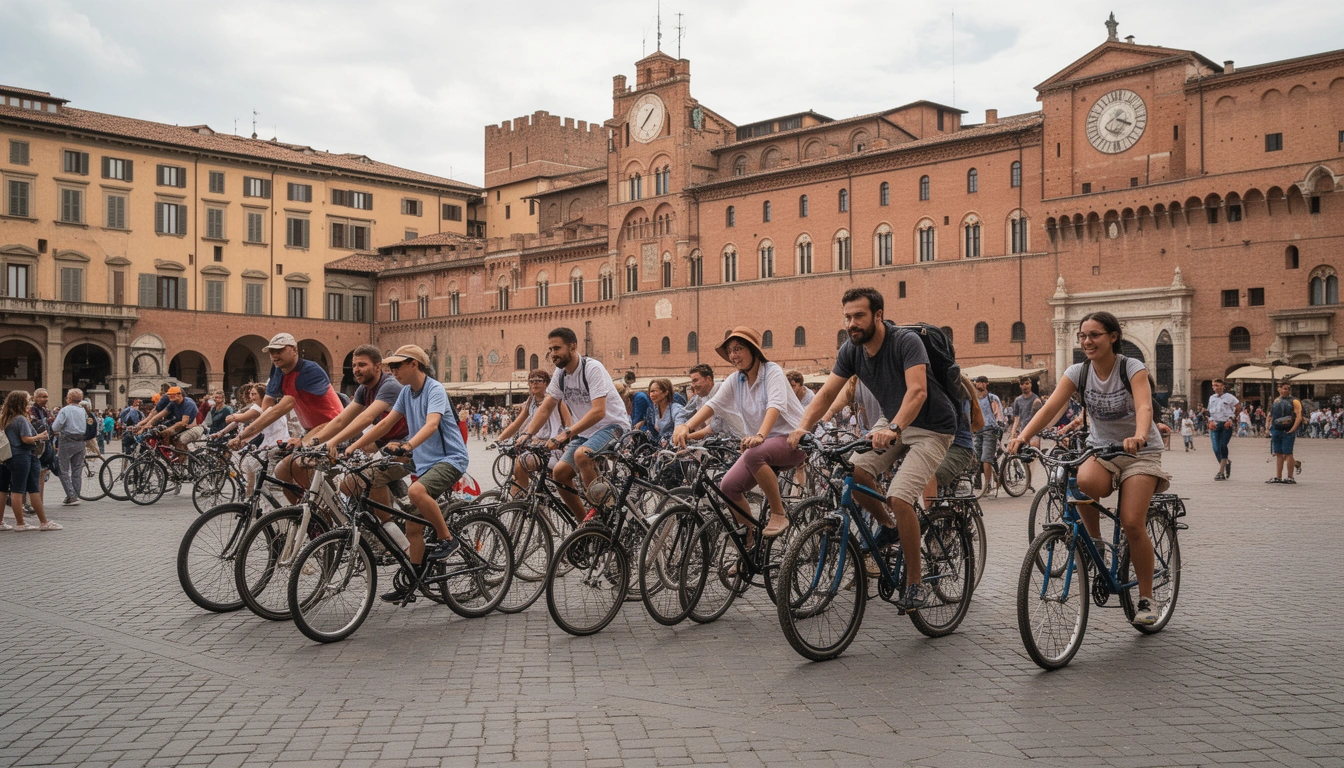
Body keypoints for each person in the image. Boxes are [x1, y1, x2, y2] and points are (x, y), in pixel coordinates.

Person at [788, 288, 958, 611]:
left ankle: (915, 583)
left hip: (931, 426)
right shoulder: (851, 351)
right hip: (891, 420)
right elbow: (825, 396)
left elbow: (918, 392)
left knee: (899, 495)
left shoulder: (906, 343)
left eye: (859, 316)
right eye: (848, 317)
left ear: (878, 315)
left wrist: (894, 429)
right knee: (853, 471)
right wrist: (801, 428)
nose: (852, 323)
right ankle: (889, 526)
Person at [1008, 310, 1169, 626]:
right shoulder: (1078, 372)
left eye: (1094, 335)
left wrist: (1139, 434)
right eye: (1083, 335)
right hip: (1102, 451)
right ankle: (1096, 544)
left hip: (1140, 452)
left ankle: (1147, 598)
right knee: (1080, 481)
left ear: (1113, 337)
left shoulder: (1131, 367)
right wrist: (1023, 436)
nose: (1087, 341)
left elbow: (1144, 404)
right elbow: (1053, 406)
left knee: (1133, 522)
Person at [346, 344, 465, 604]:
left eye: (398, 365)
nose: (393, 370)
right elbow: (386, 423)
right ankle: (415, 579)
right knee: (412, 525)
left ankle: (447, 538)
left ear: (415, 364)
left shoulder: (434, 389)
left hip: (450, 459)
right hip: (422, 462)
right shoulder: (406, 393)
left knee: (416, 491)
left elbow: (432, 424)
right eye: (391, 366)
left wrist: (408, 445)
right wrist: (352, 447)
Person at [675, 327, 805, 538]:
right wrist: (686, 426)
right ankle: (749, 537)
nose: (733, 355)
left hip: (791, 440)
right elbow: (714, 404)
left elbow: (776, 406)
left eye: (739, 348)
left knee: (754, 454)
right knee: (728, 487)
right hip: (761, 445)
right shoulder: (737, 380)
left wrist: (760, 436)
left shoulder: (772, 372)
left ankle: (778, 513)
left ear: (754, 350)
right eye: (730, 351)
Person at [520, 327, 630, 523]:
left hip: (613, 426)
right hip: (587, 432)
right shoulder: (560, 375)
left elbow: (599, 411)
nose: (553, 354)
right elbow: (545, 408)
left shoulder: (592, 368)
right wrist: (527, 434)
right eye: (551, 349)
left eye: (557, 348)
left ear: (573, 346)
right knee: (560, 473)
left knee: (582, 455)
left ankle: (605, 512)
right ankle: (586, 523)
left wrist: (565, 434)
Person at [229, 333, 343, 502]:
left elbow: (281, 407)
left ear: (295, 350)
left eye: (280, 350)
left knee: (298, 465)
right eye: (272, 351)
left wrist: (243, 436)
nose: (275, 355)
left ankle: (322, 509)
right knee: (281, 472)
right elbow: (268, 403)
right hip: (311, 429)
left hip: (331, 425)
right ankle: (303, 515)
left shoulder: (308, 371)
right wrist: (257, 432)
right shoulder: (277, 369)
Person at [317, 345, 411, 509]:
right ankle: (396, 500)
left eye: (362, 365)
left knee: (361, 479)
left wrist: (334, 442)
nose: (356, 370)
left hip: (406, 444)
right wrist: (315, 441)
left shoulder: (389, 385)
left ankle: (387, 523)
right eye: (354, 365)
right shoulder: (363, 389)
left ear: (377, 366)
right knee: (348, 484)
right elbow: (341, 420)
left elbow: (365, 418)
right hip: (384, 443)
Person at [497, 369, 570, 496]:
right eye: (531, 381)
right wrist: (499, 440)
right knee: (518, 471)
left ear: (546, 383)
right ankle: (520, 505)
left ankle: (522, 502)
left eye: (538, 381)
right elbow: (516, 424)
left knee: (522, 462)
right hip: (538, 447)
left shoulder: (556, 400)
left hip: (555, 448)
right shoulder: (531, 401)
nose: (534, 384)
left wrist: (561, 439)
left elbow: (569, 424)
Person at [3, 391, 60, 531]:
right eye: (27, 400)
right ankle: (22, 523)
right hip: (22, 455)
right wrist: (39, 436)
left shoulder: (5, 418)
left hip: (9, 456)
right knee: (19, 490)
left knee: (9, 489)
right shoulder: (20, 419)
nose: (29, 403)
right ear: (20, 402)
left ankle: (17, 522)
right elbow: (25, 439)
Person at [924, 374, 984, 504]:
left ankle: (929, 519)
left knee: (930, 475)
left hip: (959, 448)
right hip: (943, 447)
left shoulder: (957, 393)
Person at [134, 386, 202, 456]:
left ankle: (181, 463)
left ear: (179, 395)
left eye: (173, 395)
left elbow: (183, 423)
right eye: (169, 395)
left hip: (195, 427)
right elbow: (157, 416)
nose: (171, 397)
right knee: (163, 435)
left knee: (180, 440)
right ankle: (172, 456)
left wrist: (168, 431)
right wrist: (143, 428)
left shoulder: (188, 403)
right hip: (184, 426)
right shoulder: (173, 403)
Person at [50, 388, 90, 505]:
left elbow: (55, 427)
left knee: (63, 469)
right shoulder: (83, 410)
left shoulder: (65, 410)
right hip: (81, 441)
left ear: (69, 398)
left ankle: (71, 495)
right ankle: (76, 494)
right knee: (77, 469)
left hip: (67, 440)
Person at [972, 376, 1004, 492]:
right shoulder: (974, 398)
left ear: (987, 384)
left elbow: (999, 413)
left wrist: (1000, 425)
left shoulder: (992, 398)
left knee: (986, 458)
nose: (980, 384)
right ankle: (979, 483)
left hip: (990, 429)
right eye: (979, 382)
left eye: (983, 382)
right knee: (977, 457)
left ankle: (987, 484)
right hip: (977, 430)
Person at [1267, 381, 1303, 484]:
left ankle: (1290, 477)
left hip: (1288, 430)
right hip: (1276, 429)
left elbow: (1299, 417)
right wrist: (1267, 428)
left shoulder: (1295, 401)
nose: (1286, 390)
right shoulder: (1276, 401)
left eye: (1288, 389)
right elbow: (1271, 415)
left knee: (1288, 453)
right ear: (1279, 389)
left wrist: (1293, 429)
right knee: (1278, 453)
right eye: (1284, 388)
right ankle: (1278, 476)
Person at [1207, 378, 1239, 480]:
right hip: (1215, 424)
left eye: (1217, 385)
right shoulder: (1212, 398)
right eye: (1213, 386)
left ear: (1223, 386)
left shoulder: (1230, 397)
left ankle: (1221, 472)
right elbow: (1209, 411)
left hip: (1226, 424)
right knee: (1215, 447)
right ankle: (1226, 462)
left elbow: (1238, 408)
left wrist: (1231, 419)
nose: (1215, 388)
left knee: (1222, 445)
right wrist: (1210, 421)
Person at [647, 378, 683, 443]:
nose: (651, 395)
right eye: (650, 391)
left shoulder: (676, 409)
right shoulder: (654, 409)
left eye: (654, 391)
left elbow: (680, 428)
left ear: (666, 392)